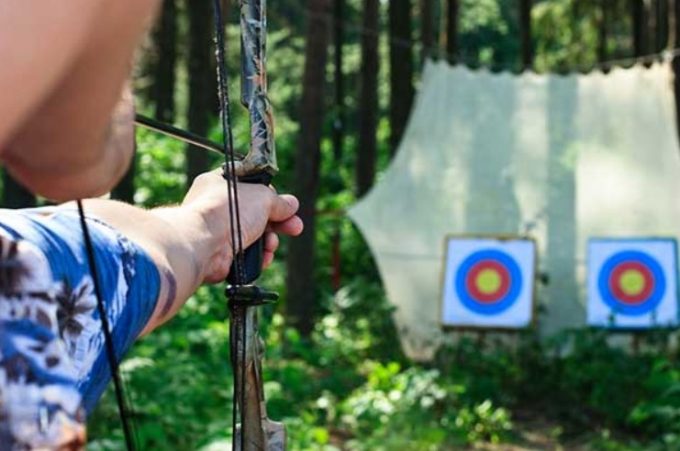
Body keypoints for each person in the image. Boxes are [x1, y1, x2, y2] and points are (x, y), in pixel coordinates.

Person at [0, 1, 303, 448]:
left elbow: (97, 242)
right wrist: (106, 108)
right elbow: (66, 160)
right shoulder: (19, 302)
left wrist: (208, 223)